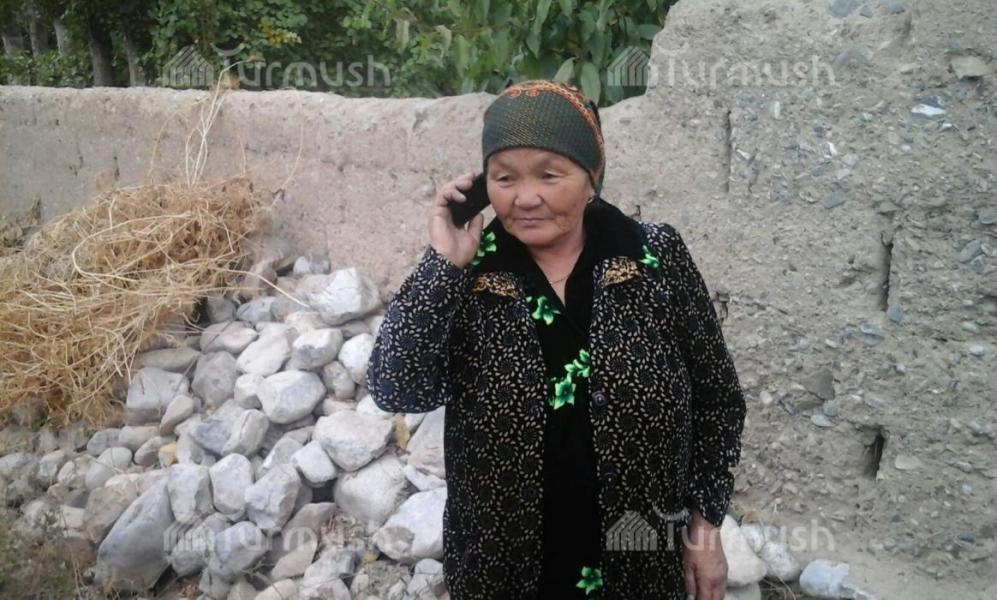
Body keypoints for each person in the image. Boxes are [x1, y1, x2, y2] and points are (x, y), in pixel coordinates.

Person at [368, 79, 746, 600]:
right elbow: (396, 388)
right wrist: (443, 266)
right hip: (505, 569)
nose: (526, 198)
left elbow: (718, 400)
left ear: (592, 177)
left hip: (641, 561)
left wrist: (705, 529)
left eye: (550, 174)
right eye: (504, 177)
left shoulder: (655, 257)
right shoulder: (467, 275)